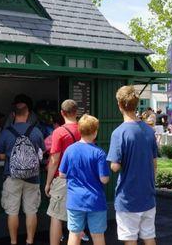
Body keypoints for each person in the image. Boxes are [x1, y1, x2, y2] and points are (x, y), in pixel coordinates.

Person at [107, 85, 158, 245]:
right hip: (147, 195)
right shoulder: (149, 131)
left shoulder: (118, 133)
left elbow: (115, 166)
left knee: (130, 239)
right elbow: (154, 163)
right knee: (149, 237)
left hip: (128, 198)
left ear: (120, 105)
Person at [0, 102, 45, 245]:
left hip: (12, 176)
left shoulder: (6, 132)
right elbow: (41, 153)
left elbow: (1, 156)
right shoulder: (36, 131)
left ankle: (13, 241)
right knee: (31, 210)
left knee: (12, 211)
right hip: (33, 177)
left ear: (13, 115)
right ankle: (30, 241)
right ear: (28, 114)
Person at [59, 114, 110, 245]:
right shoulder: (99, 153)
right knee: (98, 235)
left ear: (79, 130)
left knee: (74, 234)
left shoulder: (70, 150)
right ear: (95, 132)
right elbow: (104, 179)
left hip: (75, 200)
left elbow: (61, 174)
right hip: (95, 201)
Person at [45, 99, 81, 245]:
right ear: (76, 112)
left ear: (62, 113)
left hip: (63, 178)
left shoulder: (58, 132)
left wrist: (48, 183)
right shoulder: (84, 129)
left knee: (56, 216)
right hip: (81, 179)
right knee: (77, 217)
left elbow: (54, 161)